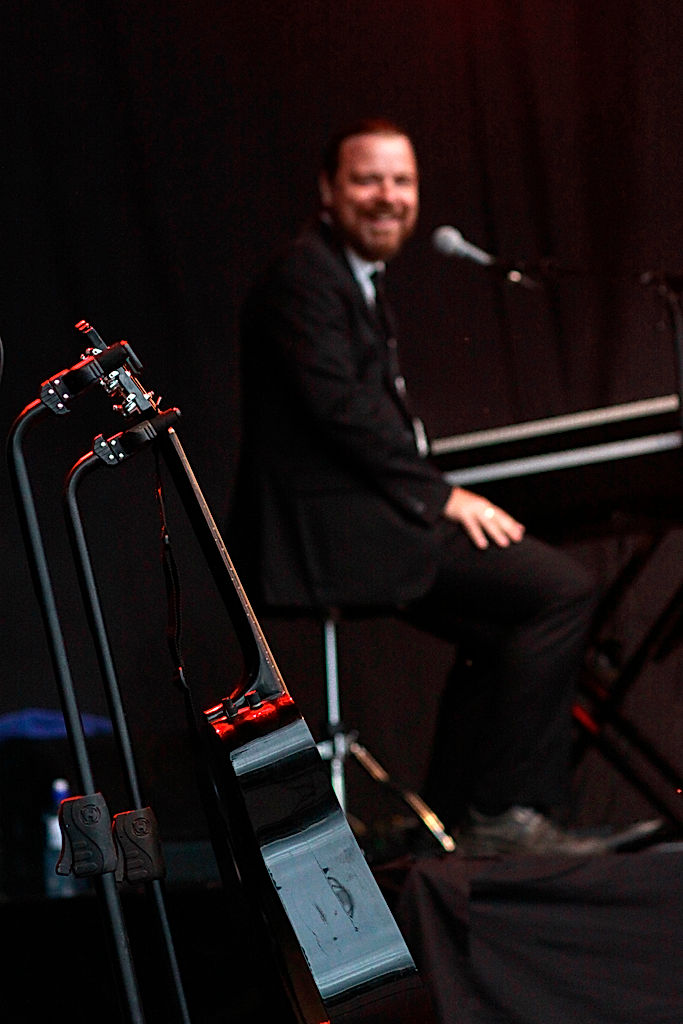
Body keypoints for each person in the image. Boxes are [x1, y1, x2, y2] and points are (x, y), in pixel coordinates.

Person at [229, 118, 656, 856]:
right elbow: (342, 412)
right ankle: (507, 814)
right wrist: (442, 498)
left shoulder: (345, 275)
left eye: (402, 181)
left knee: (501, 626)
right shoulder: (304, 274)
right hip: (335, 534)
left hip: (365, 516)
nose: (388, 196)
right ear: (329, 190)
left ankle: (458, 820)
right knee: (558, 590)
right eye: (368, 179)